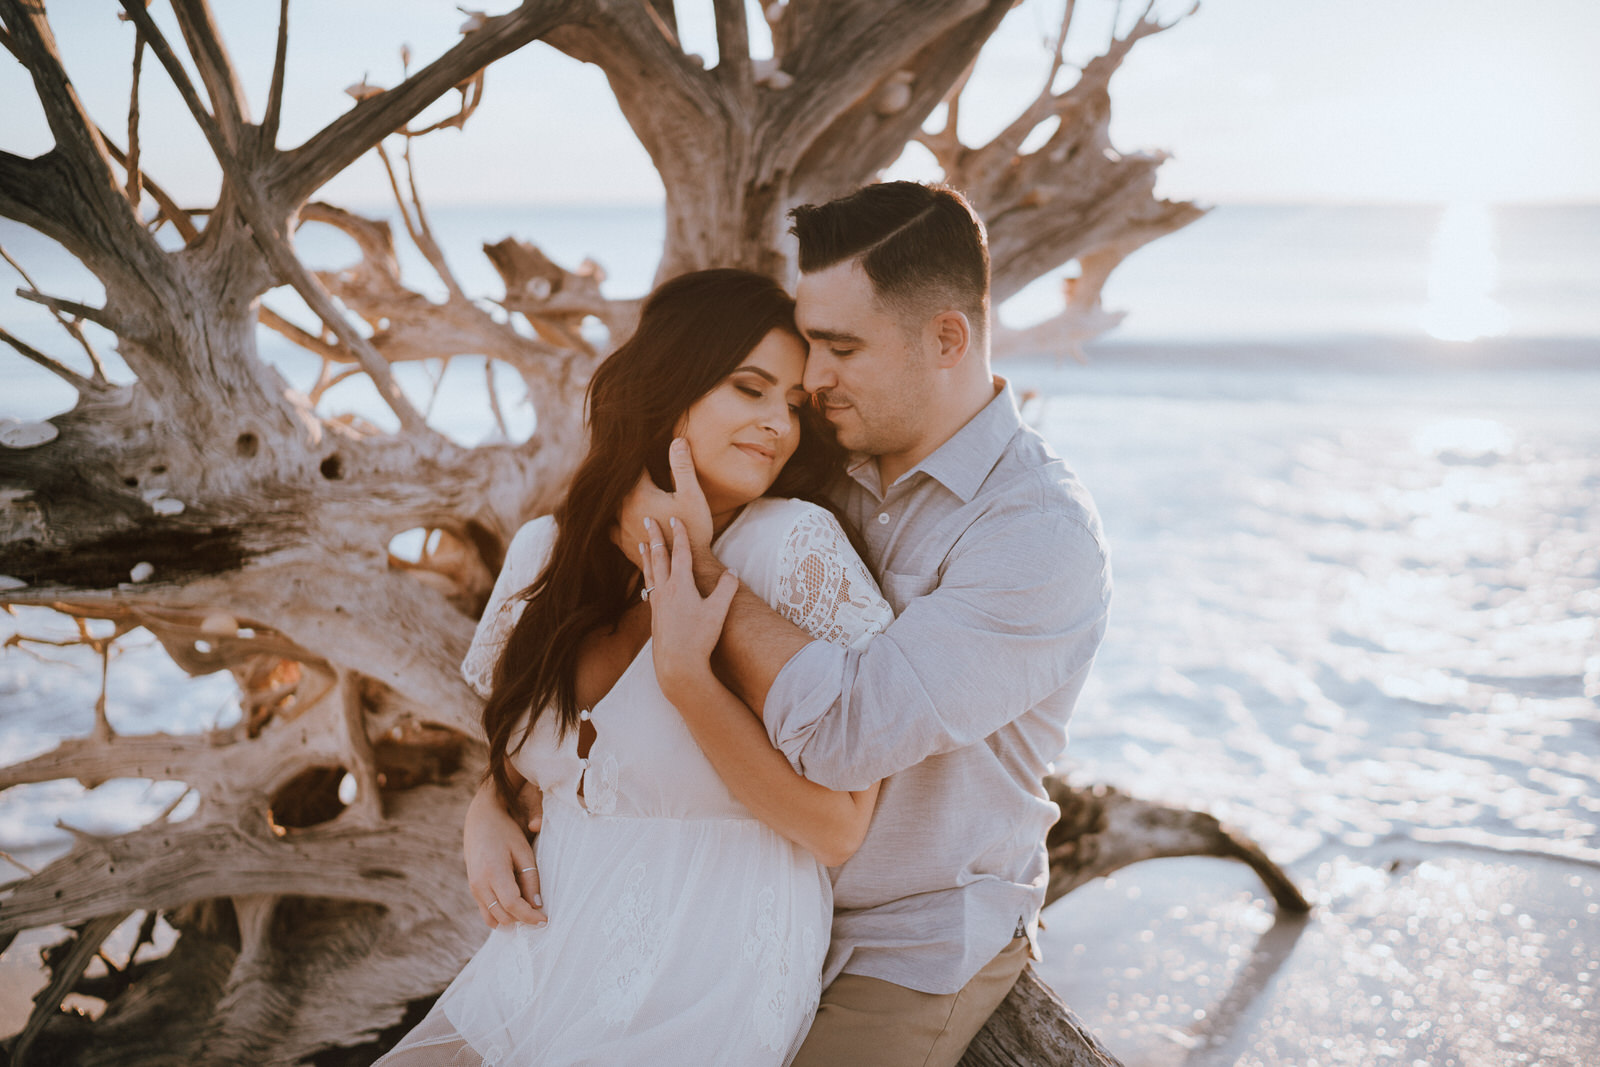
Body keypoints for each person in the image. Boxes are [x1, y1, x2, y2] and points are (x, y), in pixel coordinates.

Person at [615, 181, 1113, 1066]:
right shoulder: (813, 458)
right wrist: (495, 806)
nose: (810, 379)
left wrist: (700, 568)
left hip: (904, 939)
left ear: (947, 338)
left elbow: (846, 732)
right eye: (809, 343)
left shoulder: (1037, 535)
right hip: (731, 892)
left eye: (841, 347)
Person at [378, 268, 893, 1067]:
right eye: (748, 389)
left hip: (707, 971)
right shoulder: (546, 552)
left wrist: (689, 680)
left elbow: (837, 827)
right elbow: (553, 768)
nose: (777, 426)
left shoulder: (793, 549)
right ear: (670, 386)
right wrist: (487, 814)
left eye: (792, 405)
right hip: (542, 954)